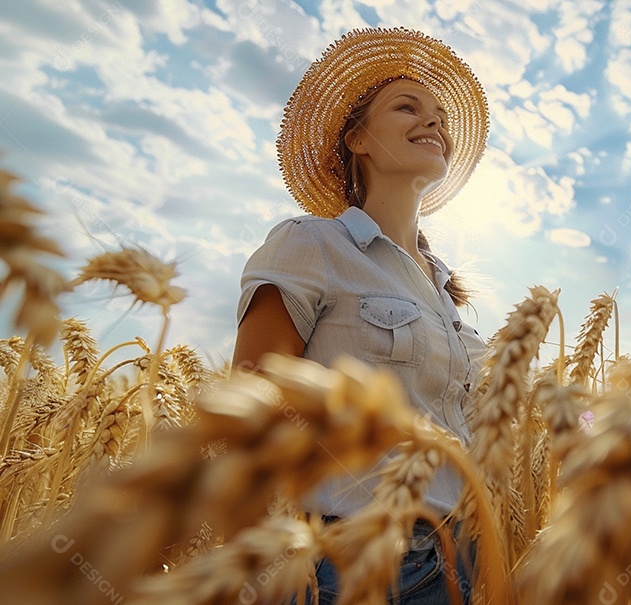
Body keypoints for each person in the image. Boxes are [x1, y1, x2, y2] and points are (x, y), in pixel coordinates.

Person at [232, 27, 490, 604]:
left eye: (441, 116)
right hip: (352, 564)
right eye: (408, 107)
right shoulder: (312, 245)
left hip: (466, 562)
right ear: (358, 140)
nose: (434, 124)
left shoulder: (449, 294)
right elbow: (247, 409)